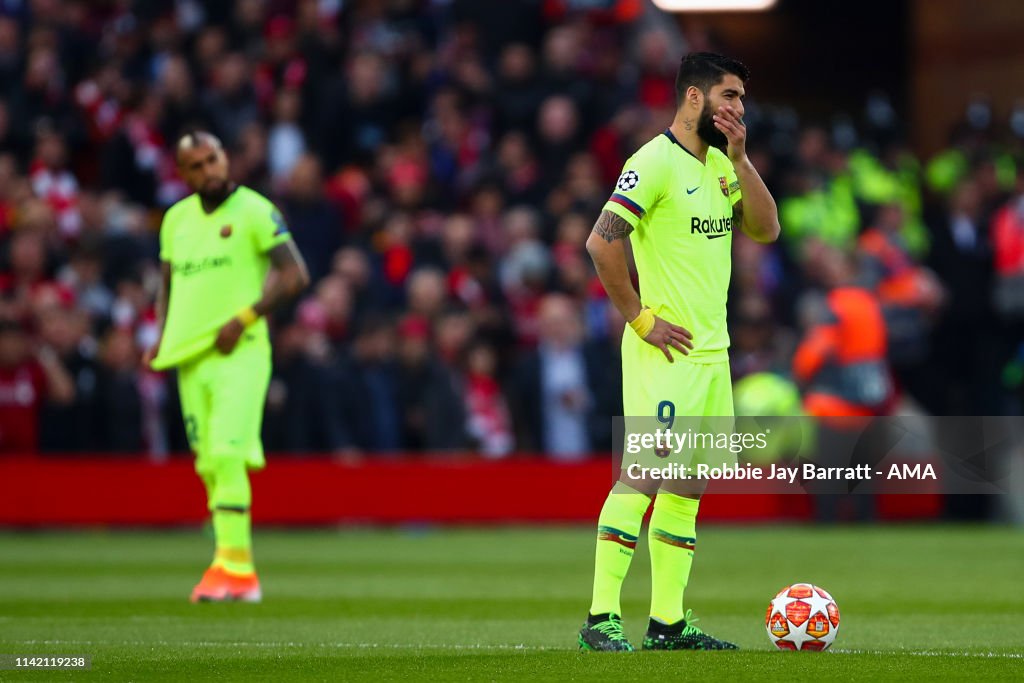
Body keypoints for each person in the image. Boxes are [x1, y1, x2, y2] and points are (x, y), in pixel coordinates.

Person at [579, 52, 780, 651]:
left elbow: (766, 230)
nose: (739, 107)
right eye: (730, 94)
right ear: (694, 97)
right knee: (642, 476)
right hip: (663, 353)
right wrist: (641, 319)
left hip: (712, 356)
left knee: (688, 486)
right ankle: (601, 618)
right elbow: (601, 242)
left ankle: (667, 622)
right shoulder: (653, 162)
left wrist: (742, 161)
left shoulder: (722, 166)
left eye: (742, 97)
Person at [143, 131, 310, 603]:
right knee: (210, 464)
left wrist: (245, 318)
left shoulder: (255, 210)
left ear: (226, 158)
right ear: (182, 173)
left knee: (227, 451)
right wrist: (160, 337)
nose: (207, 171)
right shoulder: (175, 219)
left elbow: (296, 274)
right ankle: (226, 564)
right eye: (195, 166)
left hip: (241, 351)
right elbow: (168, 288)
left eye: (212, 160)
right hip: (189, 357)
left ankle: (238, 571)